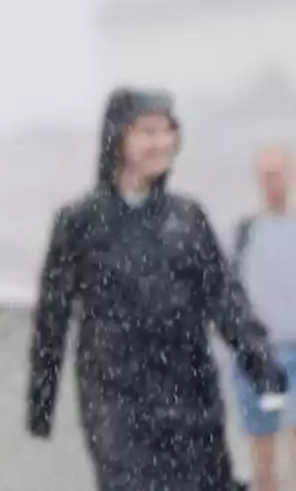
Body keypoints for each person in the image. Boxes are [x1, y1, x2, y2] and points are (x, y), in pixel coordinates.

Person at [27, 88, 288, 491]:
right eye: (147, 131)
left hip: (191, 395)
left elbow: (225, 298)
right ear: (118, 138)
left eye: (167, 131)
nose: (160, 142)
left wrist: (261, 364)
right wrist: (40, 402)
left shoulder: (188, 219)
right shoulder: (81, 222)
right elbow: (52, 317)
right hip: (116, 401)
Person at [232, 144, 295, 491]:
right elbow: (226, 290)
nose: (273, 181)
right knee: (263, 449)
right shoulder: (245, 231)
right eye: (266, 174)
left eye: (279, 172)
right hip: (257, 355)